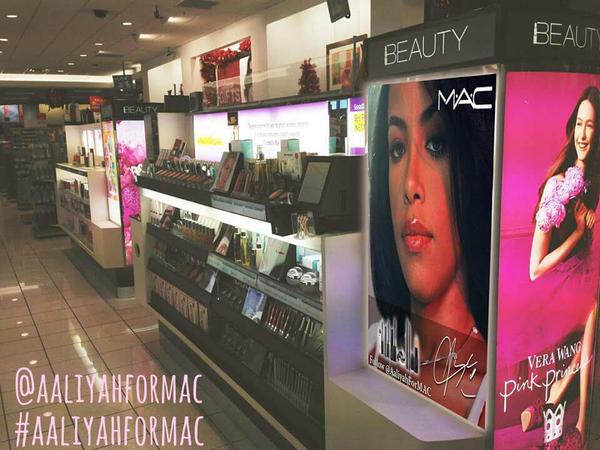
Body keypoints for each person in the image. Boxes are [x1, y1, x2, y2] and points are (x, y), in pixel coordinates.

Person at [369, 75, 495, 426]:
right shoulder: (373, 346)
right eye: (397, 149)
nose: (410, 184)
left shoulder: (490, 394)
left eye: (437, 144)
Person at [523, 86, 600, 449]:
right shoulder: (558, 186)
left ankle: (555, 399)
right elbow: (534, 269)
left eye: (591, 125)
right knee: (594, 310)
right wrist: (579, 233)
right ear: (572, 128)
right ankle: (578, 426)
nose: (583, 134)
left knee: (594, 309)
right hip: (554, 290)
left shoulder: (593, 184)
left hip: (584, 283)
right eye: (579, 124)